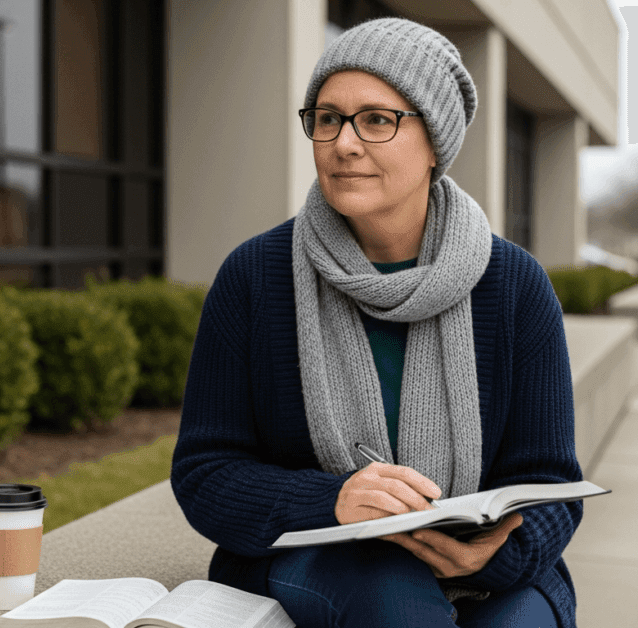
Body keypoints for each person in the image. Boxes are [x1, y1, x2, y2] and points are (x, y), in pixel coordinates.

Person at [171, 17, 583, 628]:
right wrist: (331, 500)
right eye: (328, 117)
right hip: (313, 550)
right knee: (396, 605)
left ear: (435, 141)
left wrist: (495, 552)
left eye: (377, 119)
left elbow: (551, 481)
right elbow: (205, 472)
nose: (342, 143)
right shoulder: (255, 277)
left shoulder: (514, 285)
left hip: (493, 571)